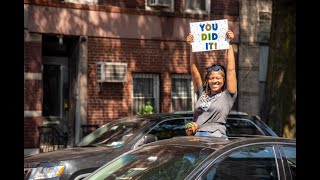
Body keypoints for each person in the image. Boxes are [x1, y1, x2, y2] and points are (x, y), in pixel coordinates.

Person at [186, 30, 237, 140]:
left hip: (215, 137)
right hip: (196, 136)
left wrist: (229, 43)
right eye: (211, 78)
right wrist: (192, 46)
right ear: (207, 80)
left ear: (224, 80)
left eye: (218, 78)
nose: (215, 81)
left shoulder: (227, 96)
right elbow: (194, 72)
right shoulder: (202, 93)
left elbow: (231, 69)